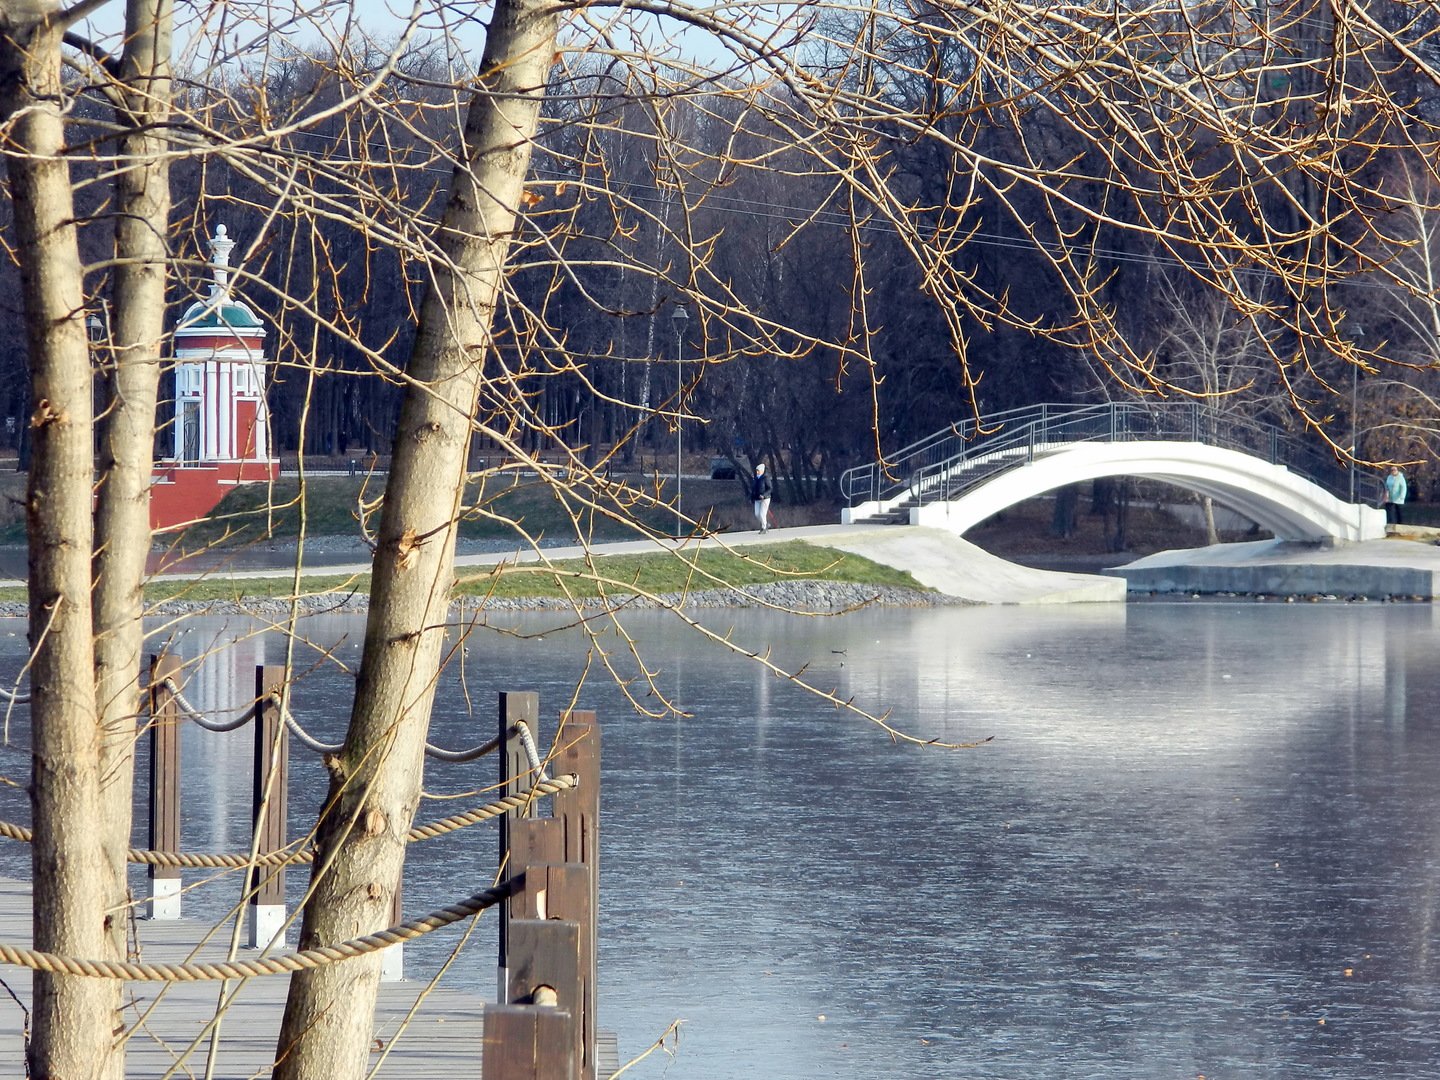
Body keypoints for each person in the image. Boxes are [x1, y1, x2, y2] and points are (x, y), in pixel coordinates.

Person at [750, 462, 773, 534]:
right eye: (756, 470)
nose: (757, 472)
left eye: (758, 470)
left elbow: (770, 488)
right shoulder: (756, 478)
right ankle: (766, 524)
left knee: (762, 514)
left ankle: (763, 528)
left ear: (762, 471)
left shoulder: (766, 478)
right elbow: (754, 489)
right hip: (757, 499)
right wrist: (751, 498)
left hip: (765, 499)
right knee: (757, 514)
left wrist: (764, 495)